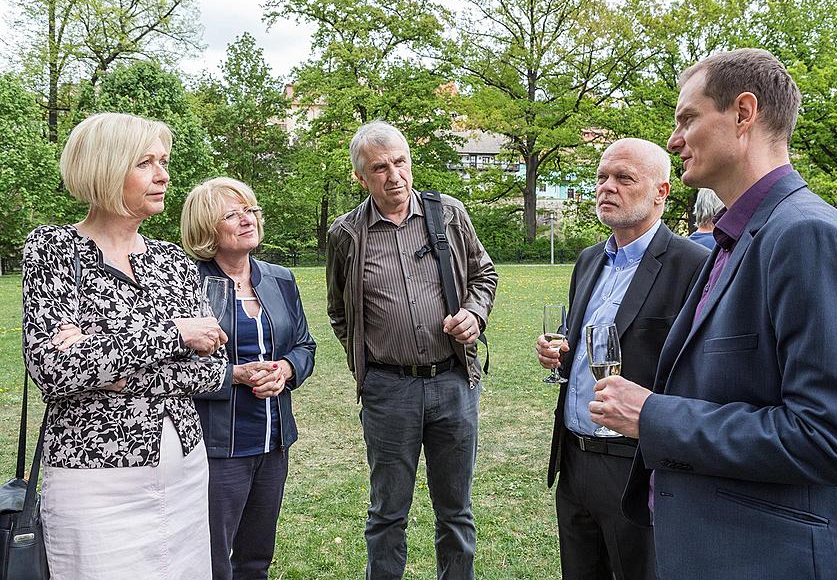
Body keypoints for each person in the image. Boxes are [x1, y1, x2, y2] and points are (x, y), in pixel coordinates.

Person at [592, 48, 837, 579]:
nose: (674, 140)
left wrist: (654, 415)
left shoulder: (805, 235)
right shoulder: (738, 235)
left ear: (743, 113)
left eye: (687, 119)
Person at [21, 112, 228, 579]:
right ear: (106, 168)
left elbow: (211, 371)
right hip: (94, 481)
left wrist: (107, 364)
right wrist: (175, 335)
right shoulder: (55, 250)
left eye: (164, 161)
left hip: (185, 471)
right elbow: (54, 371)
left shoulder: (172, 260)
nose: (163, 175)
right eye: (145, 163)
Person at [325, 121, 498, 580]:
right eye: (379, 168)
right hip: (388, 392)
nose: (394, 175)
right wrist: (370, 363)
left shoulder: (449, 215)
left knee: (456, 511)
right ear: (361, 178)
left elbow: (485, 275)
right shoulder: (346, 234)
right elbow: (339, 312)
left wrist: (474, 316)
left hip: (453, 385)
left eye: (400, 162)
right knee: (387, 513)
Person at [535, 138, 708, 580]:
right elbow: (588, 344)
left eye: (624, 178)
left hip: (637, 467)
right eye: (601, 177)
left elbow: (698, 374)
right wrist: (562, 355)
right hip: (574, 459)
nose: (606, 187)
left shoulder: (693, 264)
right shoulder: (590, 259)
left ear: (661, 192)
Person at [181, 177, 317, 580]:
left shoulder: (279, 278)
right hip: (216, 446)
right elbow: (170, 365)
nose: (248, 220)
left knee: (257, 557)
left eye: (251, 211)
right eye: (233, 214)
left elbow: (305, 346)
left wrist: (288, 370)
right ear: (207, 227)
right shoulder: (188, 283)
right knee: (211, 557)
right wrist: (232, 376)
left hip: (273, 441)